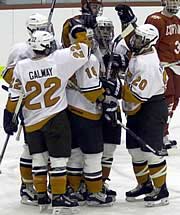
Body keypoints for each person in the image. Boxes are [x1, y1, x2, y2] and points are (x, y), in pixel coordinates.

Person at [3, 24, 90, 213]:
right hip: (55, 118)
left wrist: (8, 115)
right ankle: (58, 197)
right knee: (58, 161)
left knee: (38, 159)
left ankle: (41, 195)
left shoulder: (21, 66)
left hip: (31, 121)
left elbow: (15, 95)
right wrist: (79, 33)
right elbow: (84, 50)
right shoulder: (58, 60)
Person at [2, 13, 60, 206]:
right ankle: (27, 187)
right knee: (32, 150)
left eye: (47, 27)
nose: (45, 30)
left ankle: (50, 186)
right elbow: (8, 75)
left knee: (51, 151)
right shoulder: (21, 49)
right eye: (41, 28)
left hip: (51, 107)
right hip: (30, 108)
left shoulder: (54, 46)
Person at [66, 28, 115, 206]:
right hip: (87, 112)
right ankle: (94, 192)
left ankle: (75, 189)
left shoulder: (64, 54)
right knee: (94, 155)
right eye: (88, 38)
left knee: (75, 153)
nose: (91, 41)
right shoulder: (89, 58)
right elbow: (89, 90)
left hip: (69, 109)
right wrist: (104, 97)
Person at [122, 24, 169, 207]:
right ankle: (144, 185)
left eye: (140, 39)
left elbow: (136, 94)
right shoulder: (142, 53)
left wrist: (117, 88)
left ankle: (161, 190)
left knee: (151, 151)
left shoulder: (146, 63)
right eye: (136, 37)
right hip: (138, 109)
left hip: (151, 109)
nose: (135, 41)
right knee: (135, 150)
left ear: (149, 43)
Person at [145, 0, 180, 149]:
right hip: (163, 67)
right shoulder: (155, 20)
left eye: (176, 0)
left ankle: (164, 134)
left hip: (176, 67)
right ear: (163, 1)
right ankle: (157, 134)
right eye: (171, 0)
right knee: (167, 100)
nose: (174, 3)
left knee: (175, 100)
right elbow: (150, 44)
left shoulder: (177, 20)